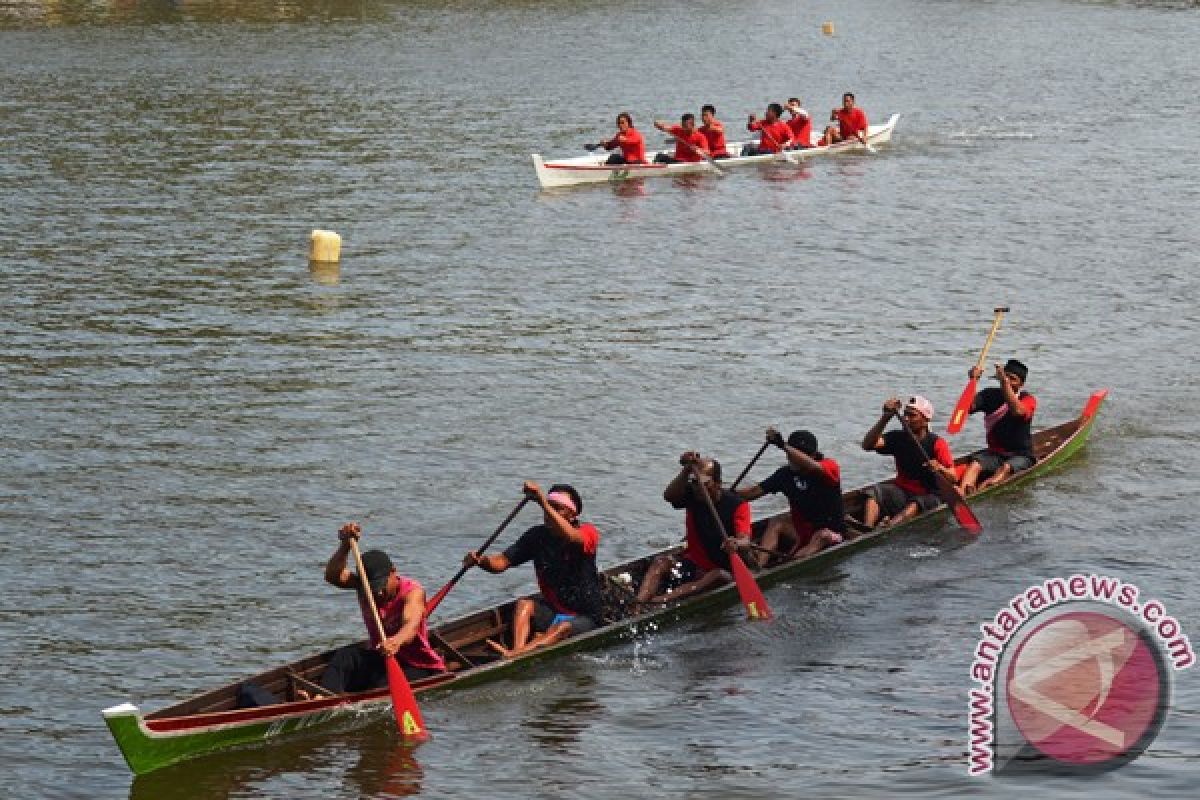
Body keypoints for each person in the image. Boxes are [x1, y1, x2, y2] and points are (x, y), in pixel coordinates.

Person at [462, 481, 603, 658]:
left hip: (587, 617)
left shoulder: (588, 532)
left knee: (563, 628)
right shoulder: (536, 536)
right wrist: (480, 561)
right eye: (548, 508)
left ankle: (515, 655)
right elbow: (502, 562)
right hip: (555, 610)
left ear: (572, 515)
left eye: (557, 508)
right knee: (524, 604)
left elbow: (571, 536)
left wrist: (542, 501)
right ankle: (517, 650)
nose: (549, 513)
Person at [316, 522, 447, 694]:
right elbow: (332, 575)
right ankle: (322, 699)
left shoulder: (412, 592)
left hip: (418, 665)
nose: (377, 593)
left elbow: (411, 626)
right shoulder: (363, 585)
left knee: (380, 686)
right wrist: (345, 545)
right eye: (372, 588)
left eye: (381, 586)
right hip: (382, 658)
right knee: (345, 657)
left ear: (393, 572)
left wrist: (396, 641)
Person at [634, 452, 752, 608]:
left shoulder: (737, 505)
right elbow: (669, 496)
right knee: (660, 561)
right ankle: (639, 603)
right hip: (693, 563)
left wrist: (736, 543)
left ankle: (658, 602)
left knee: (718, 575)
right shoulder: (693, 495)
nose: (699, 488)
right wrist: (686, 470)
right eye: (695, 483)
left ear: (718, 483)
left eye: (705, 484)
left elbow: (745, 540)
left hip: (722, 570)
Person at [735, 428, 845, 566]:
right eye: (790, 455)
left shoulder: (829, 467)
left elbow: (815, 467)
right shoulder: (784, 475)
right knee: (777, 521)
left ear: (813, 455)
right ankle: (758, 567)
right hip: (803, 534)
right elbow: (752, 492)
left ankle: (789, 566)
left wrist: (783, 446)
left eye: (796, 455)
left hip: (833, 534)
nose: (792, 459)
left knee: (822, 535)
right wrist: (719, 491)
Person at [857, 396, 958, 529]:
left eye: (912, 415)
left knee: (916, 504)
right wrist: (885, 417)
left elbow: (954, 478)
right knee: (875, 491)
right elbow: (867, 445)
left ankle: (888, 528)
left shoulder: (937, 443)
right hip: (902, 492)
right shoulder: (897, 437)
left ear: (925, 420)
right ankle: (866, 528)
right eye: (905, 414)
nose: (905, 419)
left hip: (930, 496)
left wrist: (940, 468)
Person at [957, 359, 1037, 494]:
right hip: (995, 454)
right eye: (1006, 377)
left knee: (1005, 468)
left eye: (1013, 379)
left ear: (1021, 384)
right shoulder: (989, 395)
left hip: (1021, 456)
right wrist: (973, 381)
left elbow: (1018, 411)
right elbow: (966, 408)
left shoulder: (1028, 399)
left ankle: (981, 491)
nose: (1009, 382)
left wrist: (1004, 382)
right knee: (975, 465)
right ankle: (962, 491)